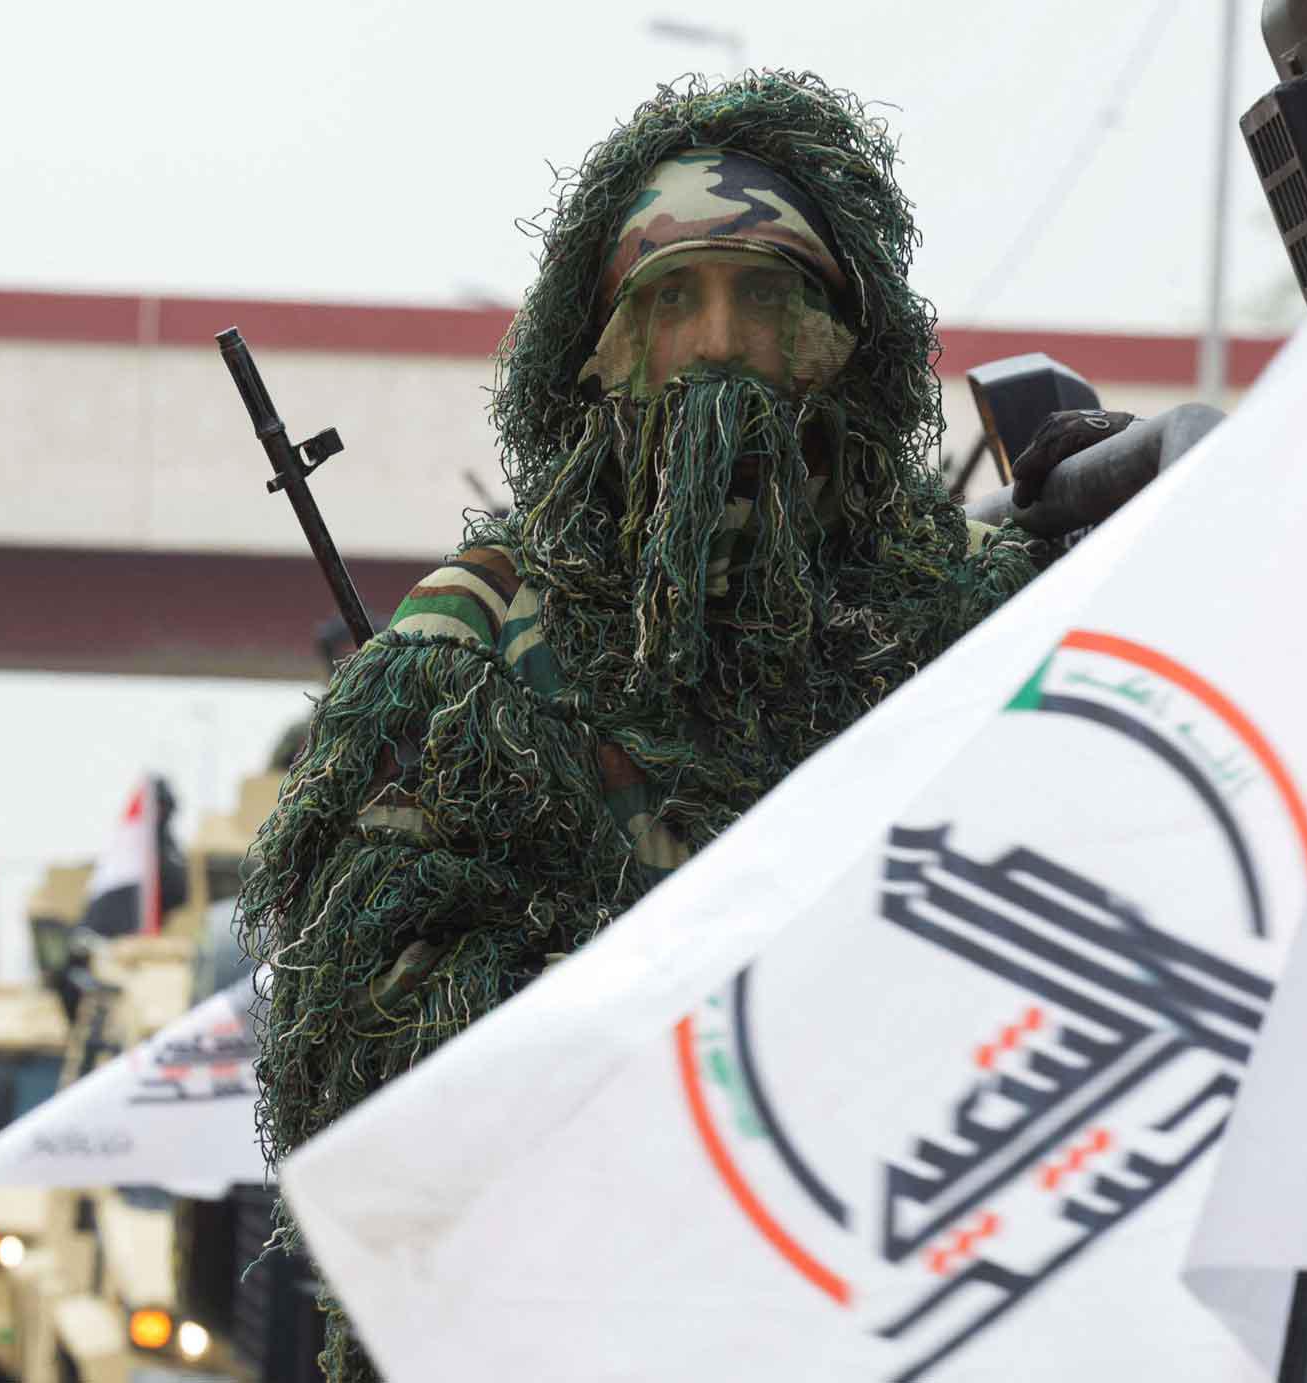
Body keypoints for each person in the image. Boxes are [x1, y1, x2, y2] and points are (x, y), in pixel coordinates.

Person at [237, 70, 1085, 1377]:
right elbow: (370, 1066)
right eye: (673, 299)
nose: (720, 343)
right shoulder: (477, 646)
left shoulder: (978, 618)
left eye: (769, 297)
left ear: (838, 342)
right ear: (604, 352)